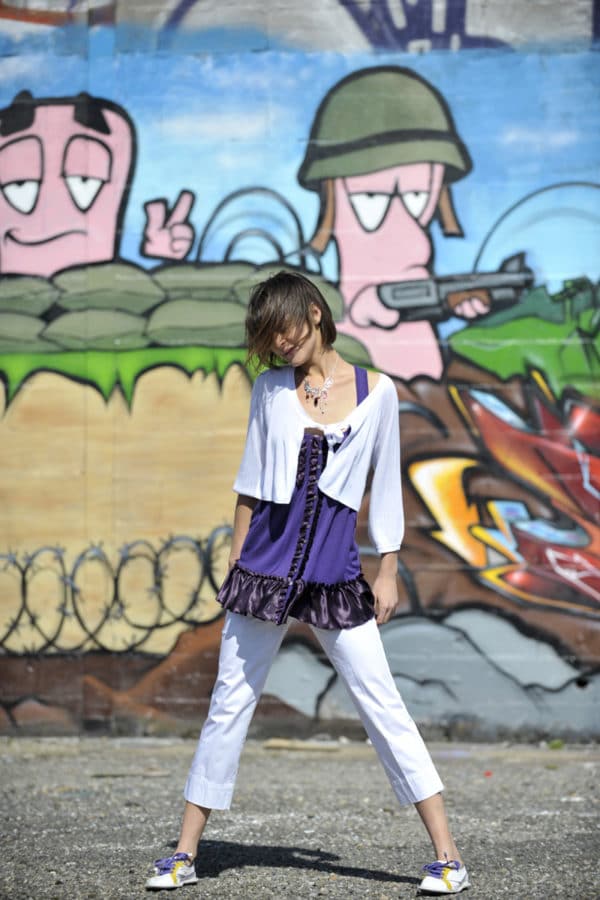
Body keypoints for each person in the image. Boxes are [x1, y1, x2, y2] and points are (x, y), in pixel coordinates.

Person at [146, 270, 470, 895]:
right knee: (228, 706)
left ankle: (449, 856)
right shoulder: (269, 390)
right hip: (263, 571)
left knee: (383, 705)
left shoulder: (379, 394)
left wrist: (388, 567)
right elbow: (248, 485)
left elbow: (385, 489)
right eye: (267, 337)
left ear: (315, 314)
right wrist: (237, 566)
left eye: (283, 329)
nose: (277, 344)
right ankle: (185, 854)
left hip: (334, 574)